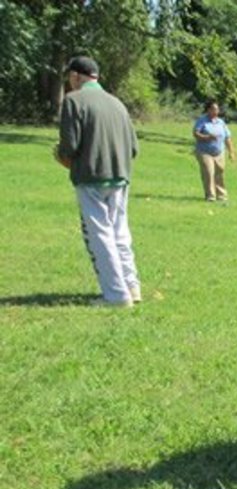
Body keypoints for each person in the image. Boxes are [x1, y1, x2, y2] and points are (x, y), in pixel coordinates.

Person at [55, 56, 141, 308]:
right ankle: (132, 286)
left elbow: (69, 146)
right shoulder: (117, 103)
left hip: (91, 177)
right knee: (120, 233)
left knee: (100, 235)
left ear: (75, 76)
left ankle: (116, 295)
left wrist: (60, 156)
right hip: (120, 176)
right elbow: (134, 148)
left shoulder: (73, 101)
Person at [193, 100, 235, 202]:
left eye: (217, 109)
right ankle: (210, 196)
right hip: (204, 152)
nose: (216, 111)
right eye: (213, 109)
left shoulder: (221, 122)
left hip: (219, 152)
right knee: (208, 172)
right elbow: (195, 134)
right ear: (208, 110)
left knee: (219, 172)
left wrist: (231, 152)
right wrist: (207, 137)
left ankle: (221, 195)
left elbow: (227, 137)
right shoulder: (202, 121)